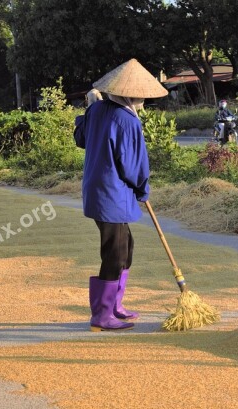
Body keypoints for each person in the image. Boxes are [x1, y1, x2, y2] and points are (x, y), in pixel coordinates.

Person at [74, 58, 168, 332]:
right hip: (111, 193)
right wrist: (143, 188)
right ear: (130, 94)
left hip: (101, 191)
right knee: (114, 254)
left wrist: (89, 108)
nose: (143, 100)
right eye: (141, 95)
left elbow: (80, 138)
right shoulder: (127, 120)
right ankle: (102, 315)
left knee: (126, 248)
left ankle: (114, 305)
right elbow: (133, 165)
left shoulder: (98, 110)